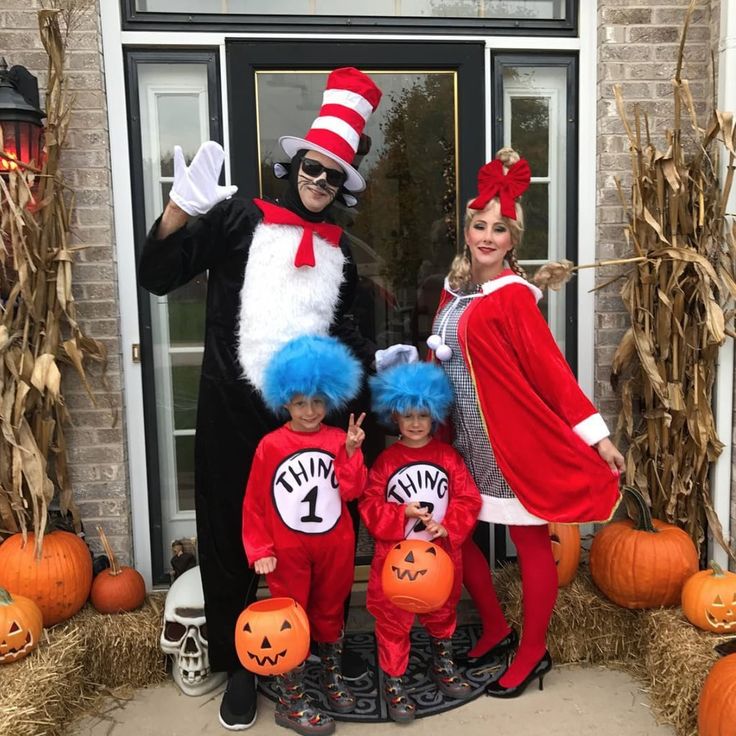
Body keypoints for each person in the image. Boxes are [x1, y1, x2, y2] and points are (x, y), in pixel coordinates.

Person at [138, 67, 382, 730]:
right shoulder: (238, 218)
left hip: (305, 422)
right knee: (231, 538)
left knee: (315, 536)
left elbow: (345, 332)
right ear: (293, 163)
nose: (319, 181)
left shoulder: (342, 256)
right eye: (312, 167)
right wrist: (179, 211)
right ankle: (245, 664)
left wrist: (379, 362)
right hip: (231, 409)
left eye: (333, 176)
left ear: (341, 189)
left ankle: (320, 648)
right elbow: (160, 275)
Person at [428, 147, 624, 698]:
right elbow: (444, 358)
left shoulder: (513, 298)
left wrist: (597, 437)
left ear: (514, 239)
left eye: (499, 229)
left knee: (531, 541)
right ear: (467, 230)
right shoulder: (455, 290)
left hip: (507, 442)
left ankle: (534, 650)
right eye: (478, 225)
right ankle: (494, 625)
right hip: (460, 438)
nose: (486, 236)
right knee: (457, 533)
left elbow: (552, 372)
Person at [242, 335, 367, 735]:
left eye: (317, 402)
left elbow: (352, 491)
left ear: (330, 399)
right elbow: (256, 503)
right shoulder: (270, 445)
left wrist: (350, 452)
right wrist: (259, 547)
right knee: (289, 617)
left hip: (335, 543)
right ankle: (291, 699)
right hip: (287, 547)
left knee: (331, 609)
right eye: (300, 403)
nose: (310, 411)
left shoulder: (338, 440)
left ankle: (329, 677)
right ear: (284, 403)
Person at [359, 361, 482, 722]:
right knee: (394, 620)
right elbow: (369, 505)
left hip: (439, 558)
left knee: (442, 613)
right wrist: (402, 515)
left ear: (435, 417)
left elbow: (468, 498)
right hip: (396, 560)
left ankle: (441, 664)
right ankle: (394, 680)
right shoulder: (385, 462)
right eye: (408, 415)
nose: (415, 423)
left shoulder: (448, 457)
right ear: (394, 416)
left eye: (423, 415)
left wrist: (449, 526)